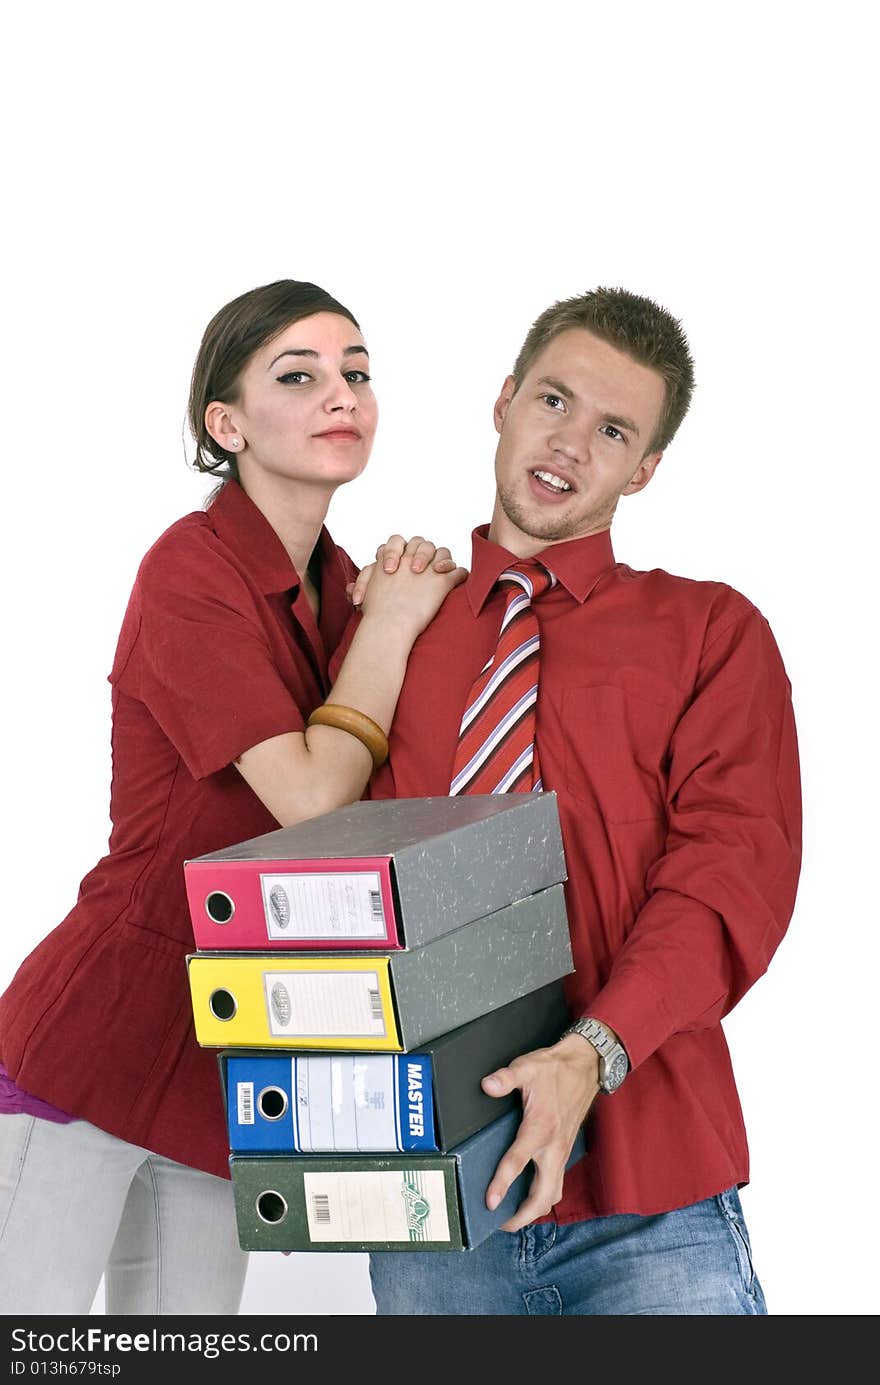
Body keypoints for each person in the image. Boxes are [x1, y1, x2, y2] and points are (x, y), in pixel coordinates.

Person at [0, 278, 466, 1315]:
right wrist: (390, 628)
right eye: (297, 376)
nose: (339, 393)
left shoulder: (343, 585)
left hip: (233, 1051)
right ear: (227, 422)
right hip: (94, 1039)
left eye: (356, 371)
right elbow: (310, 796)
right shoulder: (189, 571)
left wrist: (391, 611)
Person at [357, 287, 801, 1315]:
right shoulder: (386, 622)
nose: (570, 444)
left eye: (613, 429)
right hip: (431, 1202)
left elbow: (730, 875)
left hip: (650, 1195)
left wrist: (587, 1053)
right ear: (505, 399)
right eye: (553, 400)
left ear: (643, 468)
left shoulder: (711, 631)